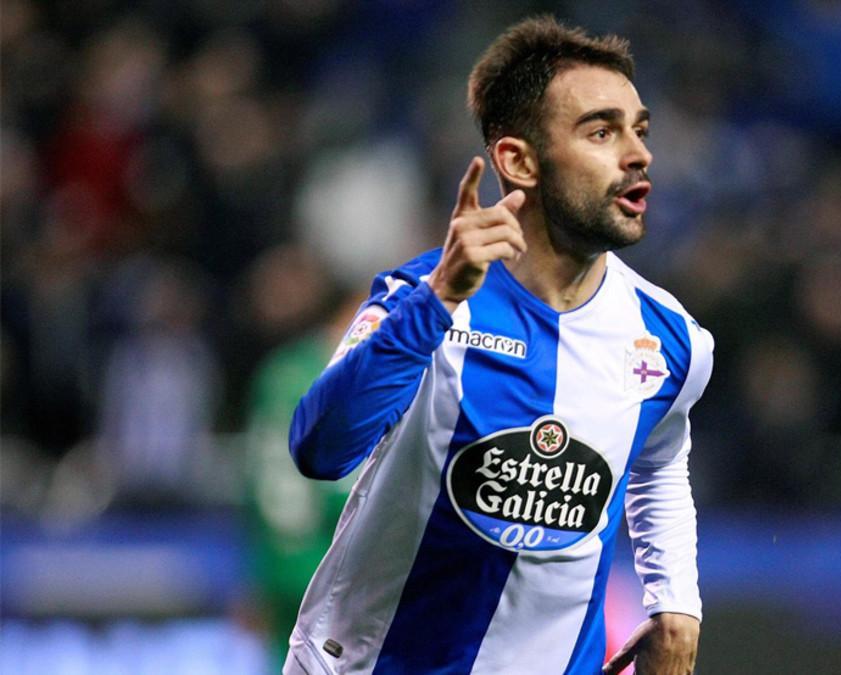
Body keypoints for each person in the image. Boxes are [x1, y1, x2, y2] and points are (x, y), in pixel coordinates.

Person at [283, 16, 713, 675]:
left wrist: (675, 601)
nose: (638, 154)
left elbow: (658, 459)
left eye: (640, 130)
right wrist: (437, 302)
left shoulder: (671, 338)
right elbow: (320, 450)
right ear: (518, 160)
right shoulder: (419, 297)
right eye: (602, 131)